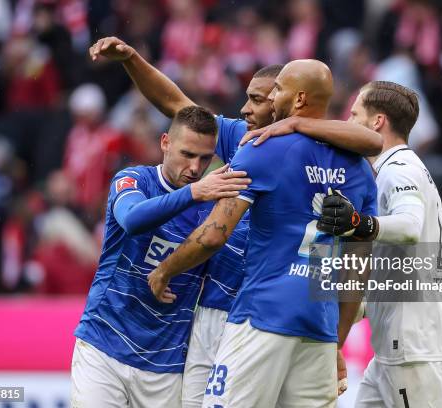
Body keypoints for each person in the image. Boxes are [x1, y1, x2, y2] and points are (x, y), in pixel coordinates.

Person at [90, 35, 382, 406]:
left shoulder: (257, 149)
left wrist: (165, 269)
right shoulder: (357, 167)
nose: (249, 108)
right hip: (314, 317)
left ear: (297, 99)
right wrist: (336, 340)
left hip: (255, 312)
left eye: (266, 96)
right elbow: (358, 264)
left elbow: (213, 235)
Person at [70, 105, 251, 407]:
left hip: (165, 366)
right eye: (187, 154)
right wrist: (194, 193)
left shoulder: (216, 210)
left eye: (205, 158)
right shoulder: (133, 180)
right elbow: (132, 219)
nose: (195, 168)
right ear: (165, 143)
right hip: (103, 347)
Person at [317, 81, 442, 408]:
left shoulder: (398, 170)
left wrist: (358, 223)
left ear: (377, 122)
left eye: (355, 115)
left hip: (413, 347)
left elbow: (408, 226)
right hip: (392, 350)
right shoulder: (394, 169)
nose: (349, 122)